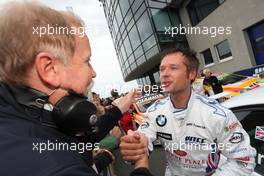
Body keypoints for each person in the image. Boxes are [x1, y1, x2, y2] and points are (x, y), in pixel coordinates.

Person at [0, 1, 143, 175]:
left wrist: (118, 109)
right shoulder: (59, 167)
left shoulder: (20, 116)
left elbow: (77, 135)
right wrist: (142, 165)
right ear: (50, 69)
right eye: (87, 61)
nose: (93, 73)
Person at [120, 48, 256, 175]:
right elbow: (142, 142)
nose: (164, 74)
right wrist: (134, 146)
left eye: (173, 68)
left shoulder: (218, 115)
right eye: (161, 69)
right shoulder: (155, 111)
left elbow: (243, 160)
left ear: (191, 74)